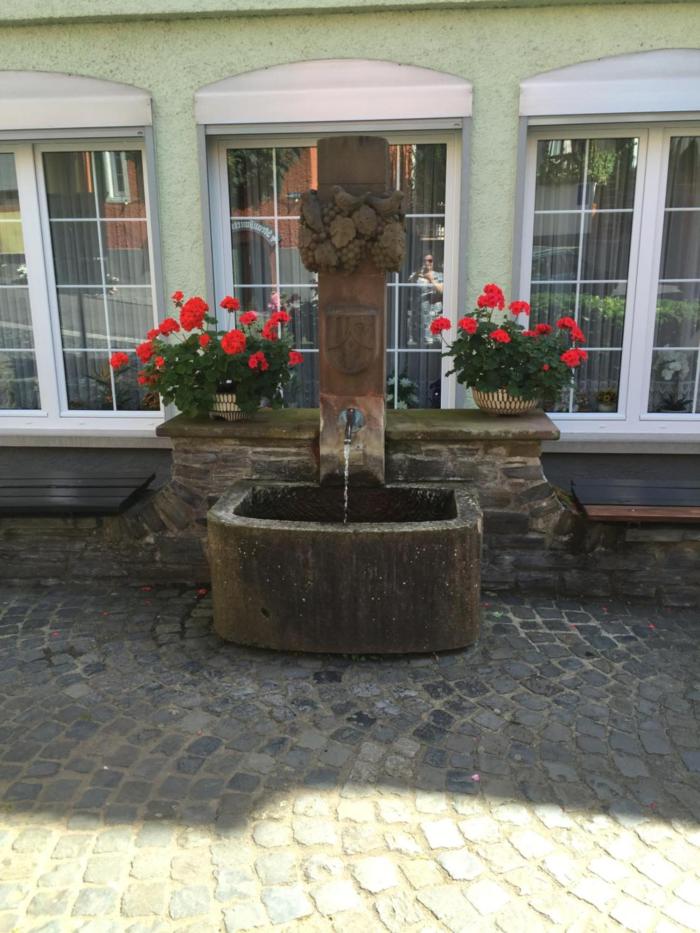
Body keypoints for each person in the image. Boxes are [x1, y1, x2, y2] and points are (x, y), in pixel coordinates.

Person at [408, 254, 444, 345]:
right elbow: (407, 291)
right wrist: (417, 275)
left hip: (435, 314)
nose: (427, 263)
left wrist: (431, 279)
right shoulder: (415, 275)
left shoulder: (440, 275)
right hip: (419, 316)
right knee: (419, 343)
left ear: (434, 262)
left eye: (430, 260)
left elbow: (442, 291)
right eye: (424, 260)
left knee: (436, 342)